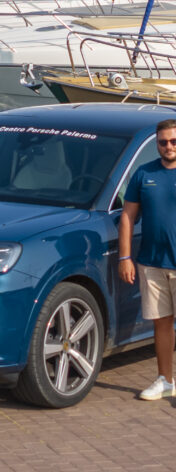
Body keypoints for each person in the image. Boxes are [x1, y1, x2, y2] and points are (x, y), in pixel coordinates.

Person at [119, 119, 176, 400]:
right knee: (161, 323)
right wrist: (125, 257)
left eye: (173, 141)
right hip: (151, 263)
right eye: (163, 142)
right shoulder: (144, 173)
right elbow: (127, 217)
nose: (168, 146)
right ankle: (165, 380)